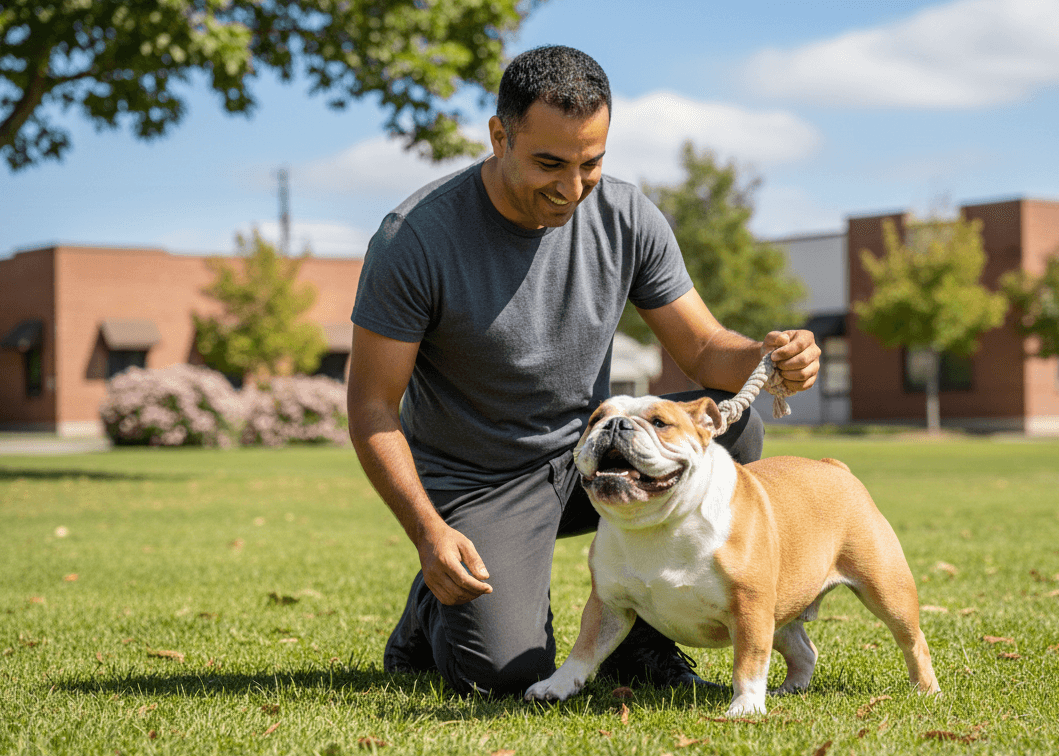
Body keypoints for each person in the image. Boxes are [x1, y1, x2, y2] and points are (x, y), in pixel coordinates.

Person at [347, 45, 821, 697]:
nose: (572, 189)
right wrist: (430, 533)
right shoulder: (415, 239)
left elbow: (705, 348)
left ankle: (639, 644)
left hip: (591, 455)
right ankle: (429, 610)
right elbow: (372, 410)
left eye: (590, 163)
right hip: (483, 484)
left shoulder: (627, 216)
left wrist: (768, 357)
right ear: (499, 137)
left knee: (729, 432)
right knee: (506, 675)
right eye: (550, 164)